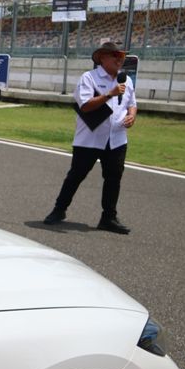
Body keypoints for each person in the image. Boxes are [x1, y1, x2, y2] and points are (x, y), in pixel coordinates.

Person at [43, 41, 137, 234]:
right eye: (115, 55)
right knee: (76, 176)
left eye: (122, 56)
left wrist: (132, 115)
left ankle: (108, 217)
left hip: (117, 139)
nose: (120, 59)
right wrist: (109, 94)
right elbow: (85, 105)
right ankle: (59, 210)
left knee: (113, 179)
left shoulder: (126, 80)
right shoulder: (89, 78)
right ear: (102, 57)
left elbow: (132, 103)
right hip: (90, 139)